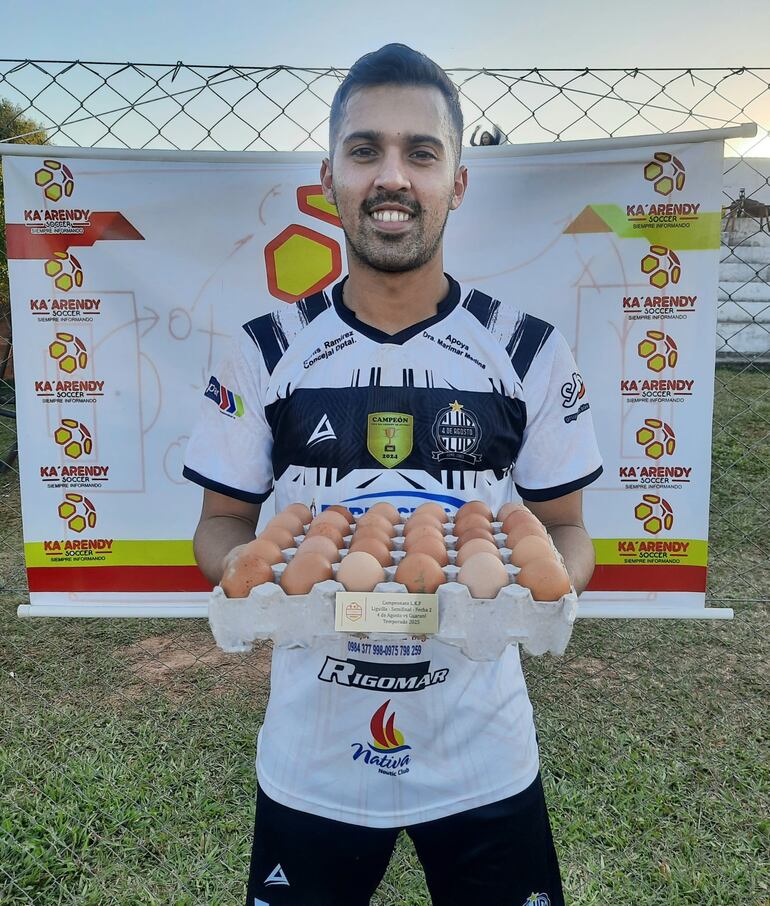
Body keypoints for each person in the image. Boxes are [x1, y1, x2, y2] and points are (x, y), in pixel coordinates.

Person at [184, 43, 602, 906]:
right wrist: (254, 571)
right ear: (329, 176)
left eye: (422, 152)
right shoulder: (263, 349)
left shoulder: (526, 351)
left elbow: (563, 528)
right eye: (365, 149)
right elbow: (220, 521)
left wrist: (546, 585)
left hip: (482, 751)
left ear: (457, 182)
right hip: (314, 757)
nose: (392, 177)